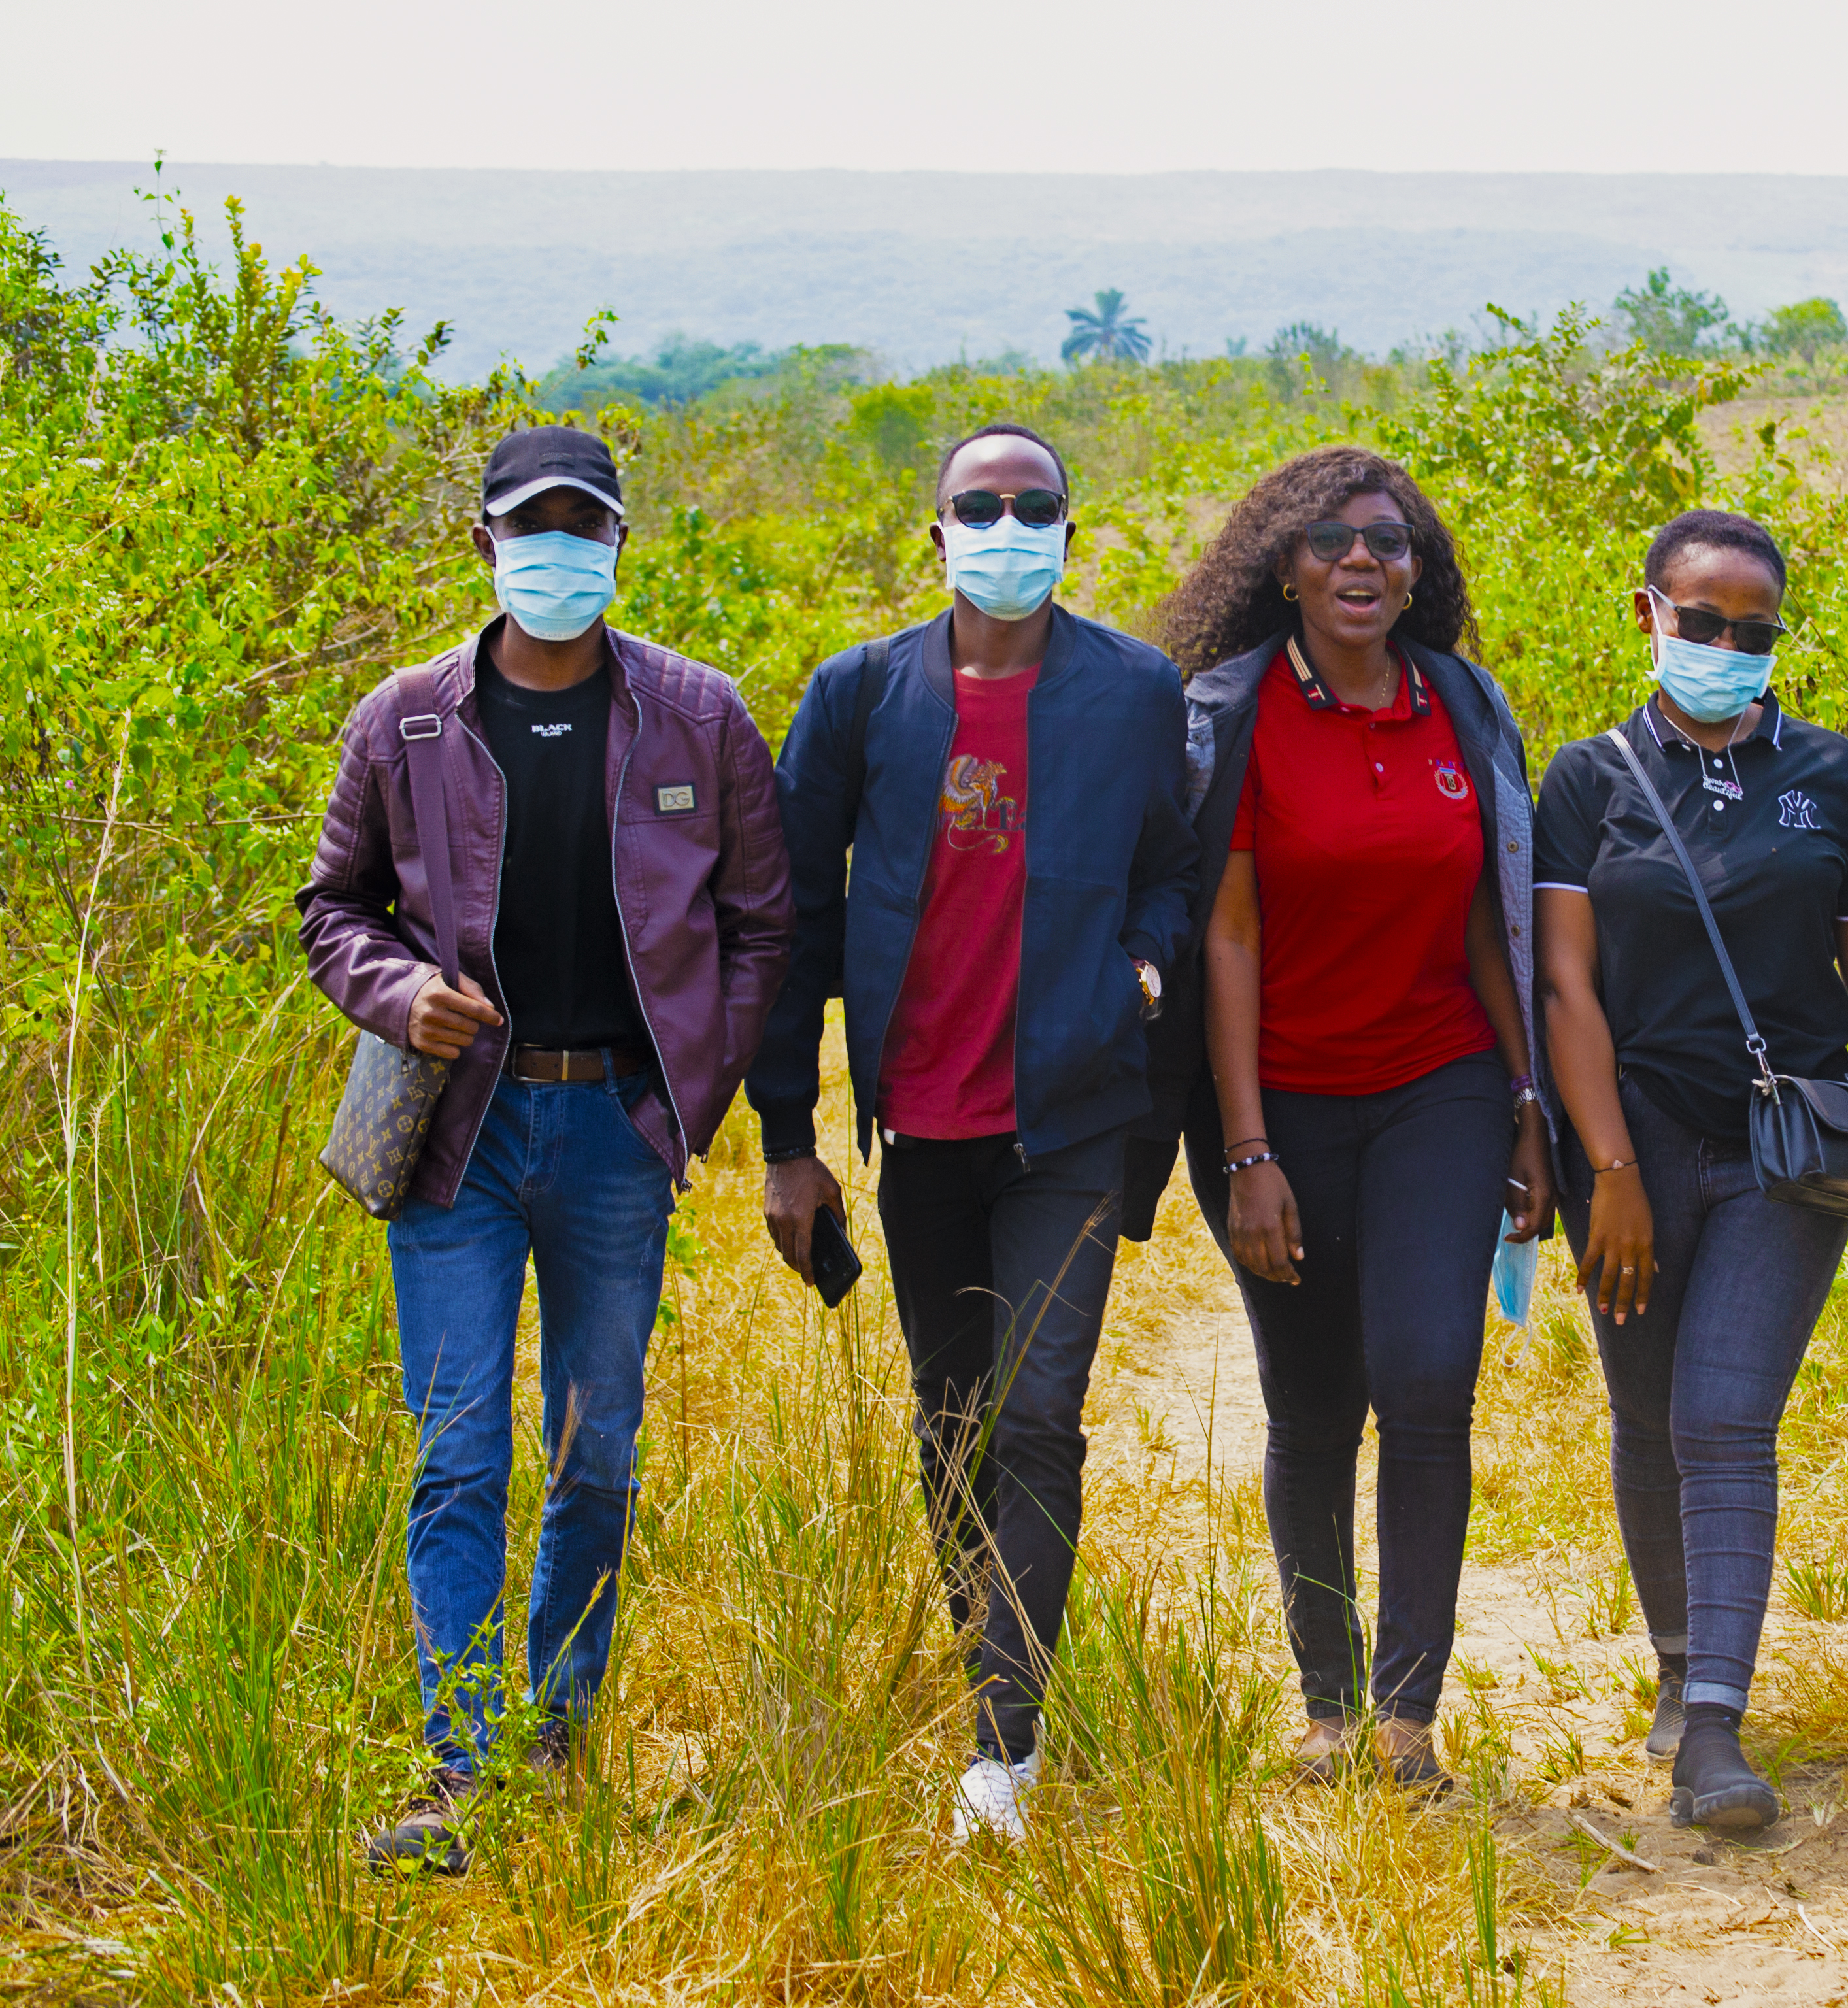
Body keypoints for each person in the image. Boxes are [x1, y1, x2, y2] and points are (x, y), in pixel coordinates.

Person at [299, 424, 794, 1873]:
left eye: (586, 530)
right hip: (455, 1134)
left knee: (598, 1448)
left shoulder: (700, 718)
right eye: (534, 529)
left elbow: (763, 924)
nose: (559, 556)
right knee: (458, 1454)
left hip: (614, 1130)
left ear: (621, 546)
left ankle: (560, 1731)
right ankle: (461, 1767)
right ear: (485, 546)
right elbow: (334, 907)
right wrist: (402, 994)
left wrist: (687, 1097)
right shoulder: (406, 721)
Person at [748, 422, 1197, 1843]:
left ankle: (1009, 1742)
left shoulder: (1133, 690)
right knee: (952, 1421)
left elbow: (1172, 872)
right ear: (935, 538)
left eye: (1035, 505)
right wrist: (788, 1131)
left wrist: (1141, 958)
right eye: (979, 507)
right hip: (923, 1123)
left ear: (1075, 528)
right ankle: (983, 1673)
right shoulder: (859, 696)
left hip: (1071, 1116)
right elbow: (793, 917)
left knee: (1041, 1412)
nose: (1009, 527)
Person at [1139, 446, 1554, 1790]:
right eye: (1328, 541)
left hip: (1441, 1084)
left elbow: (1494, 924)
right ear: (1284, 566)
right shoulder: (1231, 714)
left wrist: (1529, 1104)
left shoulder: (1467, 710)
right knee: (1315, 1401)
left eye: (1386, 540)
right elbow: (1231, 937)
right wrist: (1247, 1150)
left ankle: (1407, 1719)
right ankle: (1325, 1704)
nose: (1360, 561)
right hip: (1281, 1097)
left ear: (1418, 565)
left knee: (1429, 1381)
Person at [1534, 510, 1848, 1832]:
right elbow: (1568, 985)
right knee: (1647, 1416)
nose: (1723, 648)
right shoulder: (1587, 781)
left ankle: (1715, 1721)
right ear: (1647, 615)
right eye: (1700, 622)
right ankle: (1672, 1662)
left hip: (1785, 1153)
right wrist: (1608, 1168)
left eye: (1751, 633)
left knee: (1722, 1417)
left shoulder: (1828, 771)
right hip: (1634, 1143)